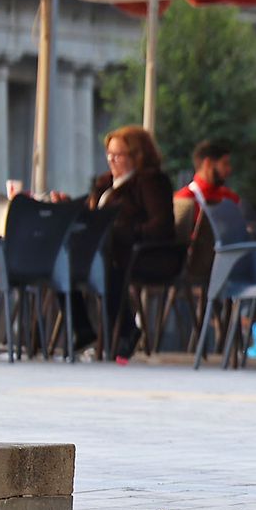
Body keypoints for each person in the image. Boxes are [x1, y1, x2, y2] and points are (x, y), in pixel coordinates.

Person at [72, 125, 178, 364]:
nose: (111, 160)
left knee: (109, 266)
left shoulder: (151, 182)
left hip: (147, 254)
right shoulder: (105, 184)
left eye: (118, 155)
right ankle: (83, 331)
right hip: (108, 253)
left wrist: (125, 232)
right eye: (109, 154)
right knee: (64, 262)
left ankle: (125, 333)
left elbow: (161, 225)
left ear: (137, 156)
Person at [173, 139, 241, 244]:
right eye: (225, 164)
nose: (229, 169)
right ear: (208, 163)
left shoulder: (231, 197)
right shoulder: (185, 198)